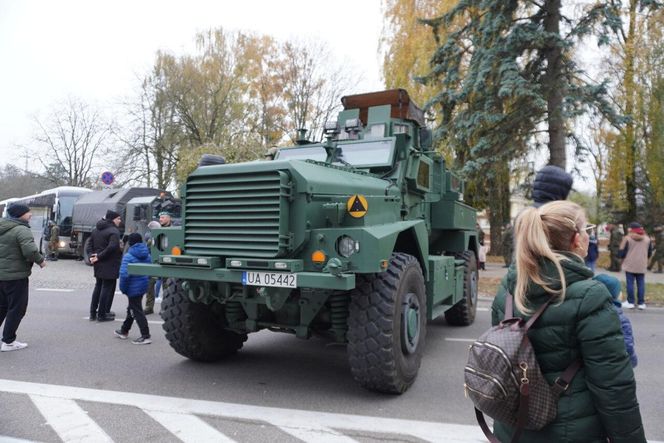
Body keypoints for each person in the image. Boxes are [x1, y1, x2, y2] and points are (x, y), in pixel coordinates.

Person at [491, 200, 645, 442]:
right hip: (570, 432)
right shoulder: (590, 296)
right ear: (576, 238)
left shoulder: (509, 288)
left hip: (512, 428)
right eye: (587, 230)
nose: (588, 235)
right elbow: (614, 388)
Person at [0, 203, 46, 351]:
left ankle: (7, 340)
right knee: (17, 308)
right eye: (28, 212)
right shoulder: (21, 229)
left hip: (1, 276)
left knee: (2, 306)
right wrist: (40, 260)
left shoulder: (3, 226)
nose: (31, 214)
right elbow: (30, 251)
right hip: (15, 276)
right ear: (20, 214)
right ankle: (8, 341)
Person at [593, 274, 638, 368]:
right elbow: (627, 345)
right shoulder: (621, 319)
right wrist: (632, 361)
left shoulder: (588, 311)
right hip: (614, 366)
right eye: (619, 291)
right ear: (614, 295)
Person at [115, 233, 152, 345]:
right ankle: (124, 330)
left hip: (132, 287)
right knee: (131, 308)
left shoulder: (128, 256)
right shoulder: (147, 254)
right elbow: (150, 271)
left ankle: (145, 335)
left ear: (130, 243)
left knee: (136, 310)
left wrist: (123, 289)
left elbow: (124, 275)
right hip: (142, 286)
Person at [87, 210, 123, 321]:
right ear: (113, 219)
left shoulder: (96, 230)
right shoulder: (114, 231)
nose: (120, 221)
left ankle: (93, 313)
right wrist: (99, 256)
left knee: (98, 286)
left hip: (98, 263)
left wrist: (91, 257)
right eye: (118, 219)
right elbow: (112, 247)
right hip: (109, 263)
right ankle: (102, 314)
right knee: (106, 288)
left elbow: (89, 245)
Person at [619, 222, 653, 310]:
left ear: (632, 229)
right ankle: (641, 303)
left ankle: (630, 302)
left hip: (629, 264)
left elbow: (622, 253)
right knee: (641, 283)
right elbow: (650, 252)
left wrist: (621, 257)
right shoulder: (647, 239)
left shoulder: (627, 238)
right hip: (642, 264)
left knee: (630, 283)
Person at [143, 220, 161, 315]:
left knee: (166, 286)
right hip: (153, 262)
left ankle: (163, 308)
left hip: (160, 263)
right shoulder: (150, 236)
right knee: (150, 285)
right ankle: (149, 307)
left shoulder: (163, 234)